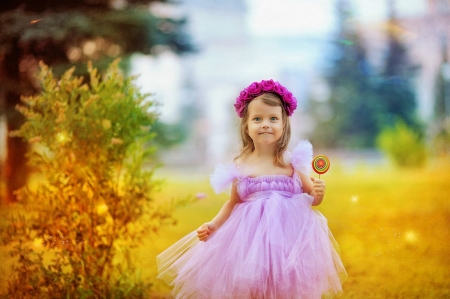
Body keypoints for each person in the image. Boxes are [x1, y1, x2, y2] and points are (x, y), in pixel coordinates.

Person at [157, 79, 347, 299]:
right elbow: (232, 202)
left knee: (283, 283)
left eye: (273, 119)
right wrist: (213, 225)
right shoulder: (241, 165)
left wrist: (318, 193)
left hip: (287, 238)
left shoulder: (291, 162)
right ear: (246, 126)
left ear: (284, 125)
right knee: (253, 285)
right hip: (248, 238)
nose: (265, 124)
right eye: (257, 119)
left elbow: (311, 199)